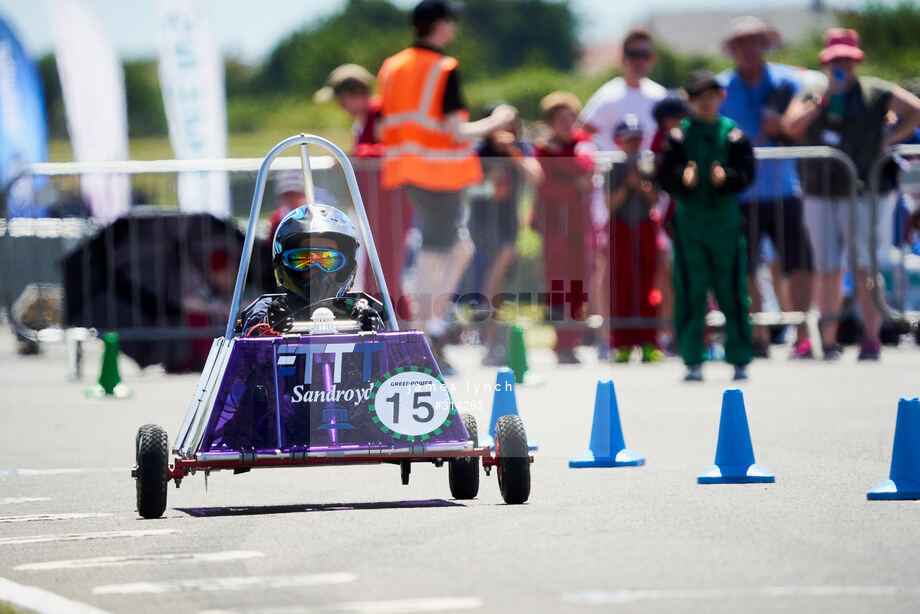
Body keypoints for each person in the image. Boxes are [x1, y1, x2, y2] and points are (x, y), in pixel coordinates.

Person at [376, 0, 516, 373]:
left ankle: (427, 329)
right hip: (438, 172)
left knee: (454, 248)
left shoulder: (392, 66)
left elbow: (386, 122)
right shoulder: (443, 67)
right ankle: (421, 336)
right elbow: (456, 131)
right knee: (437, 252)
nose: (454, 27)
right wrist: (497, 119)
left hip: (408, 168)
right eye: (450, 21)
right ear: (439, 24)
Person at [782, 28, 920, 360]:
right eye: (835, 59)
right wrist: (823, 102)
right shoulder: (812, 91)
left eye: (847, 58)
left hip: (865, 192)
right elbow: (791, 127)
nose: (841, 64)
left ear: (856, 60)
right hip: (820, 191)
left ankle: (870, 338)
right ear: (826, 62)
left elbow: (916, 110)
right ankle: (828, 341)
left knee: (865, 265)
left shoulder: (876, 91)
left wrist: (888, 140)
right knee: (827, 267)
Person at [718, 16, 816, 359]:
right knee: (745, 268)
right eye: (742, 42)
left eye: (756, 41)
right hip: (740, 194)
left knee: (798, 264)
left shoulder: (790, 82)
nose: (749, 49)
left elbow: (806, 127)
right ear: (733, 48)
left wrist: (787, 125)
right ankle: (756, 333)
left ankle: (803, 333)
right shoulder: (719, 88)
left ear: (765, 45)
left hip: (784, 188)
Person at [657, 70, 756, 382]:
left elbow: (747, 173)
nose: (706, 102)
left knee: (733, 291)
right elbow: (665, 176)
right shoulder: (678, 137)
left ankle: (739, 357)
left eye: (711, 95)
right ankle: (692, 358)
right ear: (690, 100)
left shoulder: (733, 135)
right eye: (699, 97)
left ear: (720, 97)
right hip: (691, 226)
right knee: (690, 290)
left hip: (725, 225)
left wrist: (727, 179)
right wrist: (680, 182)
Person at [581, 27, 667, 356]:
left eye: (644, 54)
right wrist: (603, 164)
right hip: (612, 186)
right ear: (623, 58)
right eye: (633, 54)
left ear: (651, 58)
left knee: (653, 268)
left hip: (648, 190)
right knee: (610, 268)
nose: (638, 61)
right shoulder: (608, 95)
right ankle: (609, 337)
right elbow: (583, 131)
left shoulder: (658, 95)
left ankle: (653, 337)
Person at [315, 64, 413, 322]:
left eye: (342, 99)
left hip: (390, 203)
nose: (340, 106)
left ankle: (398, 322)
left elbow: (392, 149)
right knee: (374, 267)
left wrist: (350, 157)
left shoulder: (381, 112)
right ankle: (382, 319)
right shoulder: (364, 119)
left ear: (358, 92)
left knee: (386, 267)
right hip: (375, 204)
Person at [468, 107, 543, 365]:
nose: (506, 131)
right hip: (482, 223)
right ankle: (485, 321)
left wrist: (514, 153)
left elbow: (536, 175)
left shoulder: (519, 148)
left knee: (501, 280)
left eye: (511, 125)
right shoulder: (479, 150)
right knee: (497, 266)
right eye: (501, 124)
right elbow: (468, 187)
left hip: (508, 222)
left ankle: (493, 335)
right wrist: (490, 180)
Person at [238, 204, 384, 335]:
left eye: (328, 259)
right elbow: (248, 346)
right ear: (285, 265)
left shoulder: (359, 309)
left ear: (345, 267)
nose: (317, 269)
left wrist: (375, 330)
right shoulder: (268, 309)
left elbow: (395, 361)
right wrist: (268, 325)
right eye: (304, 259)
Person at [533, 91, 595, 364]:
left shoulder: (582, 142)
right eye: (560, 118)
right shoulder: (542, 148)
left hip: (579, 227)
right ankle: (562, 342)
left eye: (571, 117)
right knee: (557, 284)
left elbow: (587, 166)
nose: (567, 123)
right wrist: (573, 182)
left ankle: (574, 340)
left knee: (579, 282)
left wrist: (560, 162)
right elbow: (546, 188)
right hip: (553, 227)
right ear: (550, 122)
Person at [608, 114, 661, 363]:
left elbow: (655, 199)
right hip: (621, 227)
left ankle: (649, 341)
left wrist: (639, 184)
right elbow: (610, 204)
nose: (632, 143)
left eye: (636, 139)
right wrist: (627, 186)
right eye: (628, 139)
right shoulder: (613, 167)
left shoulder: (648, 165)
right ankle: (622, 344)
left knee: (647, 284)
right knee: (622, 285)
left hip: (643, 227)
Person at [650, 95, 691, 354]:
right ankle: (672, 330)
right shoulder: (664, 142)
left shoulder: (687, 138)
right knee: (671, 277)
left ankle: (694, 331)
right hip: (670, 220)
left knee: (688, 277)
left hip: (687, 217)